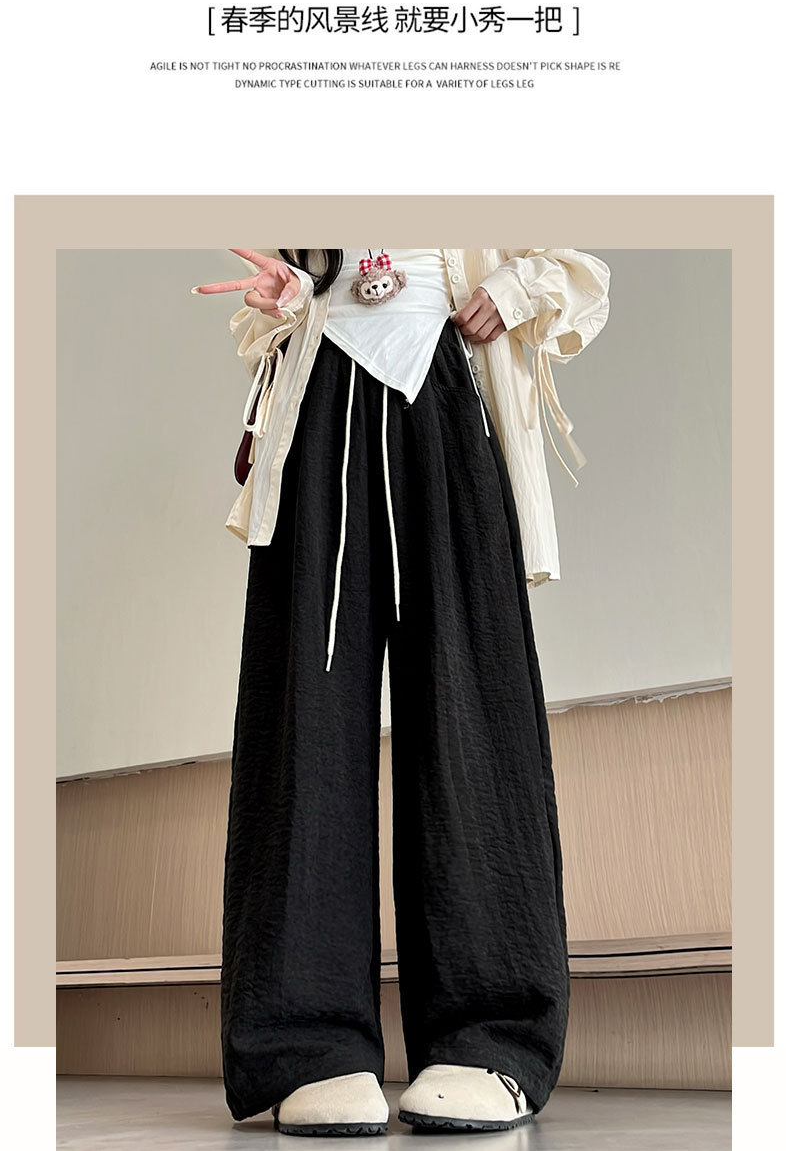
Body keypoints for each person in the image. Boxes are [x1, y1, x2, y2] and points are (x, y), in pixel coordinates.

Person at [194, 246, 610, 1135]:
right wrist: (293, 293)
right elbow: (285, 283)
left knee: (472, 713)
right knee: (305, 716)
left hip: (448, 386)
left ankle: (489, 1034)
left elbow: (572, 262)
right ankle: (308, 1042)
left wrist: (512, 287)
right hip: (320, 396)